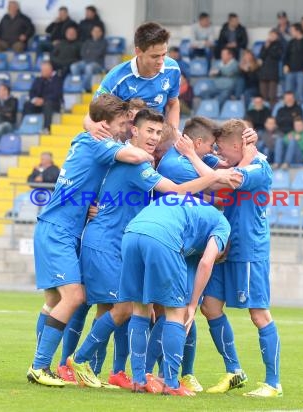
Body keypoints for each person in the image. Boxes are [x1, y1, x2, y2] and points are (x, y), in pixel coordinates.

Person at [71, 111, 240, 392]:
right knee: (160, 311)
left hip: (128, 235)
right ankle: (166, 380)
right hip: (112, 240)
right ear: (133, 131)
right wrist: (217, 175)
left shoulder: (132, 159)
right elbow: (178, 189)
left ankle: (128, 374)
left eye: (158, 133)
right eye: (148, 130)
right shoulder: (137, 160)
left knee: (131, 308)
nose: (154, 137)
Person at [26, 94, 157, 387]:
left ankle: (43, 364)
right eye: (122, 123)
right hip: (58, 229)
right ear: (104, 125)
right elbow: (133, 156)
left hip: (65, 228)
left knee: (54, 300)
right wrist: (150, 153)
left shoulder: (84, 138)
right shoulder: (98, 143)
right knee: (74, 297)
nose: (125, 128)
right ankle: (39, 366)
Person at [201, 119, 282, 398]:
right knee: (210, 307)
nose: (219, 155)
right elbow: (220, 176)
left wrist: (245, 156)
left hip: (249, 251)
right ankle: (234, 371)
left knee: (258, 315)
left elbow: (233, 178)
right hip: (225, 248)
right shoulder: (237, 162)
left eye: (223, 150)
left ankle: (273, 383)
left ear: (239, 145)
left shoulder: (259, 167)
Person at [85, 22, 181, 135]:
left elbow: (173, 103)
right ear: (138, 51)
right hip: (125, 138)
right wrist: (91, 125)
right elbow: (92, 114)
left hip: (156, 135)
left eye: (164, 54)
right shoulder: (116, 77)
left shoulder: (173, 68)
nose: (161, 61)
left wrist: (173, 132)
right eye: (154, 56)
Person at [23, 62, 63, 131]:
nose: (42, 72)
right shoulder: (38, 79)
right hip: (39, 103)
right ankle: (26, 126)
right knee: (27, 104)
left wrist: (43, 100)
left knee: (48, 104)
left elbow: (56, 94)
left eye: (44, 70)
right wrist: (35, 99)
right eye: (42, 70)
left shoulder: (57, 80)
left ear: (50, 70)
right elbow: (32, 92)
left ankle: (46, 128)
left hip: (53, 103)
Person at [283, 23, 303, 103]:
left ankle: (300, 111)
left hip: (302, 71)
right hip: (291, 71)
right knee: (288, 92)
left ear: (298, 31)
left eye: (292, 31)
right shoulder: (290, 43)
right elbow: (285, 56)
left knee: (300, 93)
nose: (291, 32)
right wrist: (285, 65)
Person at [69, 25, 107, 93]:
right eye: (94, 31)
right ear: (91, 32)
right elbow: (82, 53)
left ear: (101, 33)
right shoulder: (87, 42)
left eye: (98, 31)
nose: (96, 33)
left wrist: (89, 52)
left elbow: (99, 53)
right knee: (73, 66)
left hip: (98, 64)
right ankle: (77, 86)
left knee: (89, 67)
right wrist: (91, 53)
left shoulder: (104, 42)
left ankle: (87, 88)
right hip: (85, 61)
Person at [258, 29, 283, 107]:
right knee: (263, 95)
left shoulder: (279, 45)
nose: (271, 37)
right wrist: (266, 47)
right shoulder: (265, 45)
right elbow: (261, 56)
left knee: (272, 95)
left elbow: (276, 55)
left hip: (273, 72)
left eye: (273, 35)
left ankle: (272, 112)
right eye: (270, 35)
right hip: (264, 72)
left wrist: (269, 48)